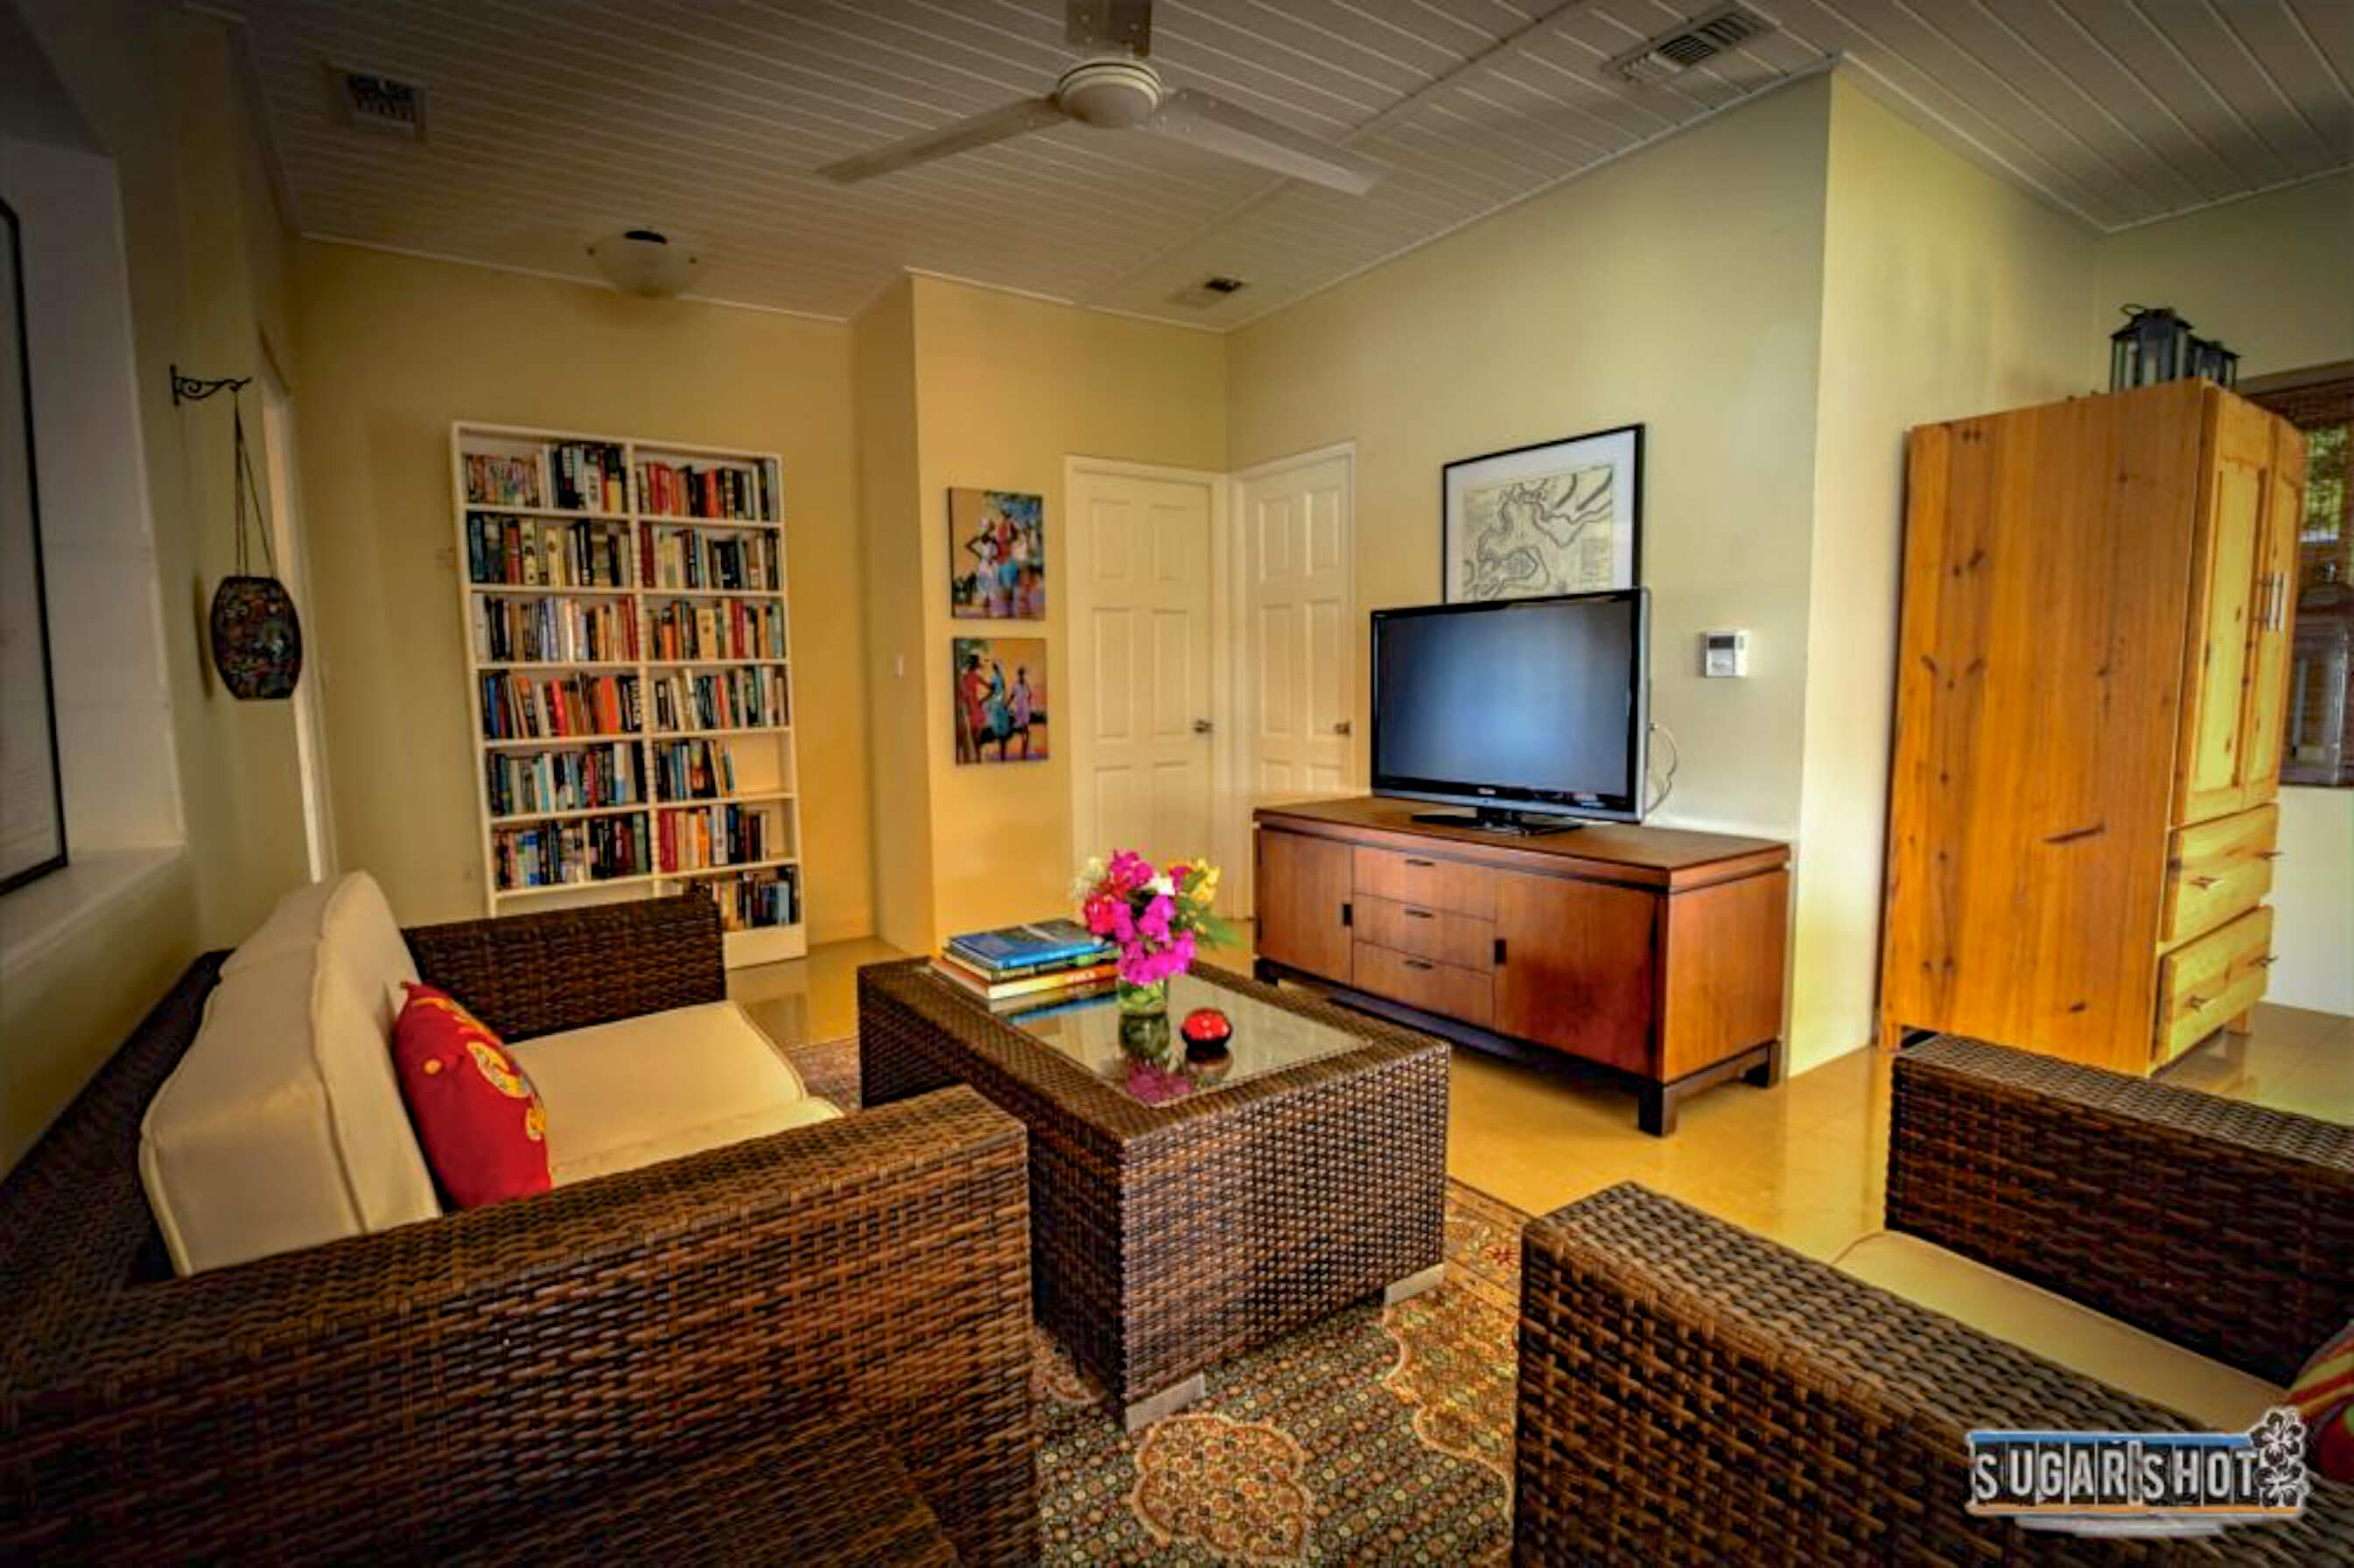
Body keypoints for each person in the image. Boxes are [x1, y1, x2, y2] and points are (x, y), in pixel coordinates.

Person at [956, 651, 989, 764]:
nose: (976, 665)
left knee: (976, 739)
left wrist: (982, 700)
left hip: (973, 708)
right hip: (971, 708)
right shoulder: (969, 676)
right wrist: (982, 700)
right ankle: (978, 760)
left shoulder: (968, 676)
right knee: (975, 739)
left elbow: (990, 688)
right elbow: (991, 688)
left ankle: (978, 760)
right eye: (976, 663)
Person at [983, 661, 1011, 760]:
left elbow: (992, 692)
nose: (995, 669)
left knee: (998, 728)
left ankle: (1001, 755)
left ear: (995, 669)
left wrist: (983, 700)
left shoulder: (995, 679)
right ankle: (1002, 755)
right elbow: (1002, 692)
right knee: (1002, 731)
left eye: (995, 667)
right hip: (1000, 704)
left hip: (996, 705)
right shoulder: (1001, 678)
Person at [1010, 666, 1035, 759]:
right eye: (1020, 674)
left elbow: (1030, 695)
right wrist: (1007, 704)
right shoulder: (1016, 685)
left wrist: (1028, 703)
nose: (1021, 675)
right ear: (1019, 675)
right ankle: (1024, 749)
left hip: (1025, 708)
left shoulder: (1026, 684)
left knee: (1025, 728)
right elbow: (1012, 695)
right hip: (1019, 708)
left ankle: (1024, 750)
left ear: (1023, 674)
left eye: (1022, 674)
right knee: (1022, 729)